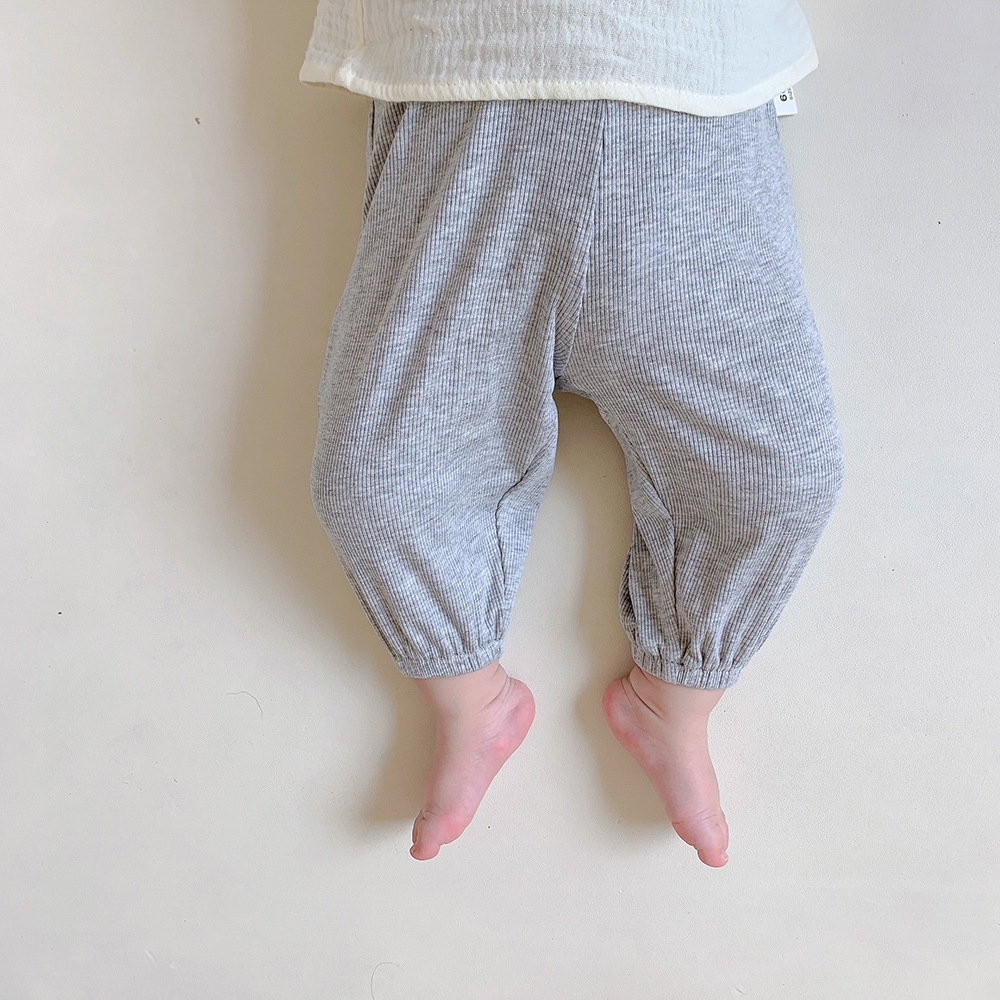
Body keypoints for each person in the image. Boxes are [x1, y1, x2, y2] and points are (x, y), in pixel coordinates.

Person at [301, 1, 845, 867]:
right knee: (374, 485)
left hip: (692, 101)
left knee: (782, 479)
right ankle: (470, 699)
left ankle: (673, 701)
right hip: (461, 98)